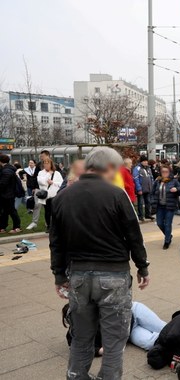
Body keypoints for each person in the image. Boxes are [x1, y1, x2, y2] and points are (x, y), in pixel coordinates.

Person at [50, 147, 150, 380]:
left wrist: (58, 276)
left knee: (81, 337)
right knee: (114, 340)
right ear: (110, 168)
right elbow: (134, 235)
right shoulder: (117, 194)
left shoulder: (62, 197)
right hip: (114, 275)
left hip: (78, 276)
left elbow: (56, 242)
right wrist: (142, 266)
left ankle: (76, 376)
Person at [151, 165, 180, 249]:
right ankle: (169, 235)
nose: (164, 173)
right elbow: (152, 192)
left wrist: (177, 189)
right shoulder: (158, 181)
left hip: (169, 206)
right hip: (160, 206)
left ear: (169, 172)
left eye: (166, 172)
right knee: (159, 223)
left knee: (167, 224)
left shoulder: (174, 181)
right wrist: (152, 201)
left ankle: (167, 241)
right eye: (163, 172)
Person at [37, 158, 63, 233]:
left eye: (48, 163)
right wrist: (49, 174)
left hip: (54, 195)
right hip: (46, 196)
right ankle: (48, 226)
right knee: (47, 211)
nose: (46, 164)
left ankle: (56, 226)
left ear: (51, 164)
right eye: (44, 163)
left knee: (55, 211)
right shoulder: (41, 173)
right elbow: (42, 182)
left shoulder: (57, 173)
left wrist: (53, 182)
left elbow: (61, 183)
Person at [26, 150, 51, 229]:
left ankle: (48, 223)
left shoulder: (53, 165)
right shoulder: (39, 165)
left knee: (48, 207)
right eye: (41, 156)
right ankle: (34, 222)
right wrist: (34, 187)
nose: (41, 157)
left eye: (42, 156)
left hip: (49, 189)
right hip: (39, 188)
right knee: (37, 205)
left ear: (47, 155)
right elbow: (35, 177)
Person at [0, 155, 21, 233]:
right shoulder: (7, 169)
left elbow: (3, 183)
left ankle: (17, 227)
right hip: (7, 194)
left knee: (11, 211)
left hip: (8, 194)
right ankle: (3, 227)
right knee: (4, 212)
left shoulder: (7, 171)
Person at [133, 156, 154, 221]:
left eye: (146, 161)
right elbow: (136, 179)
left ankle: (148, 214)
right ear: (141, 161)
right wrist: (139, 189)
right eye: (144, 161)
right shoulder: (137, 168)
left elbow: (151, 178)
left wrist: (152, 186)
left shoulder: (148, 168)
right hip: (141, 189)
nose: (146, 162)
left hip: (148, 188)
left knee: (148, 202)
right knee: (140, 203)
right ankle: (140, 216)